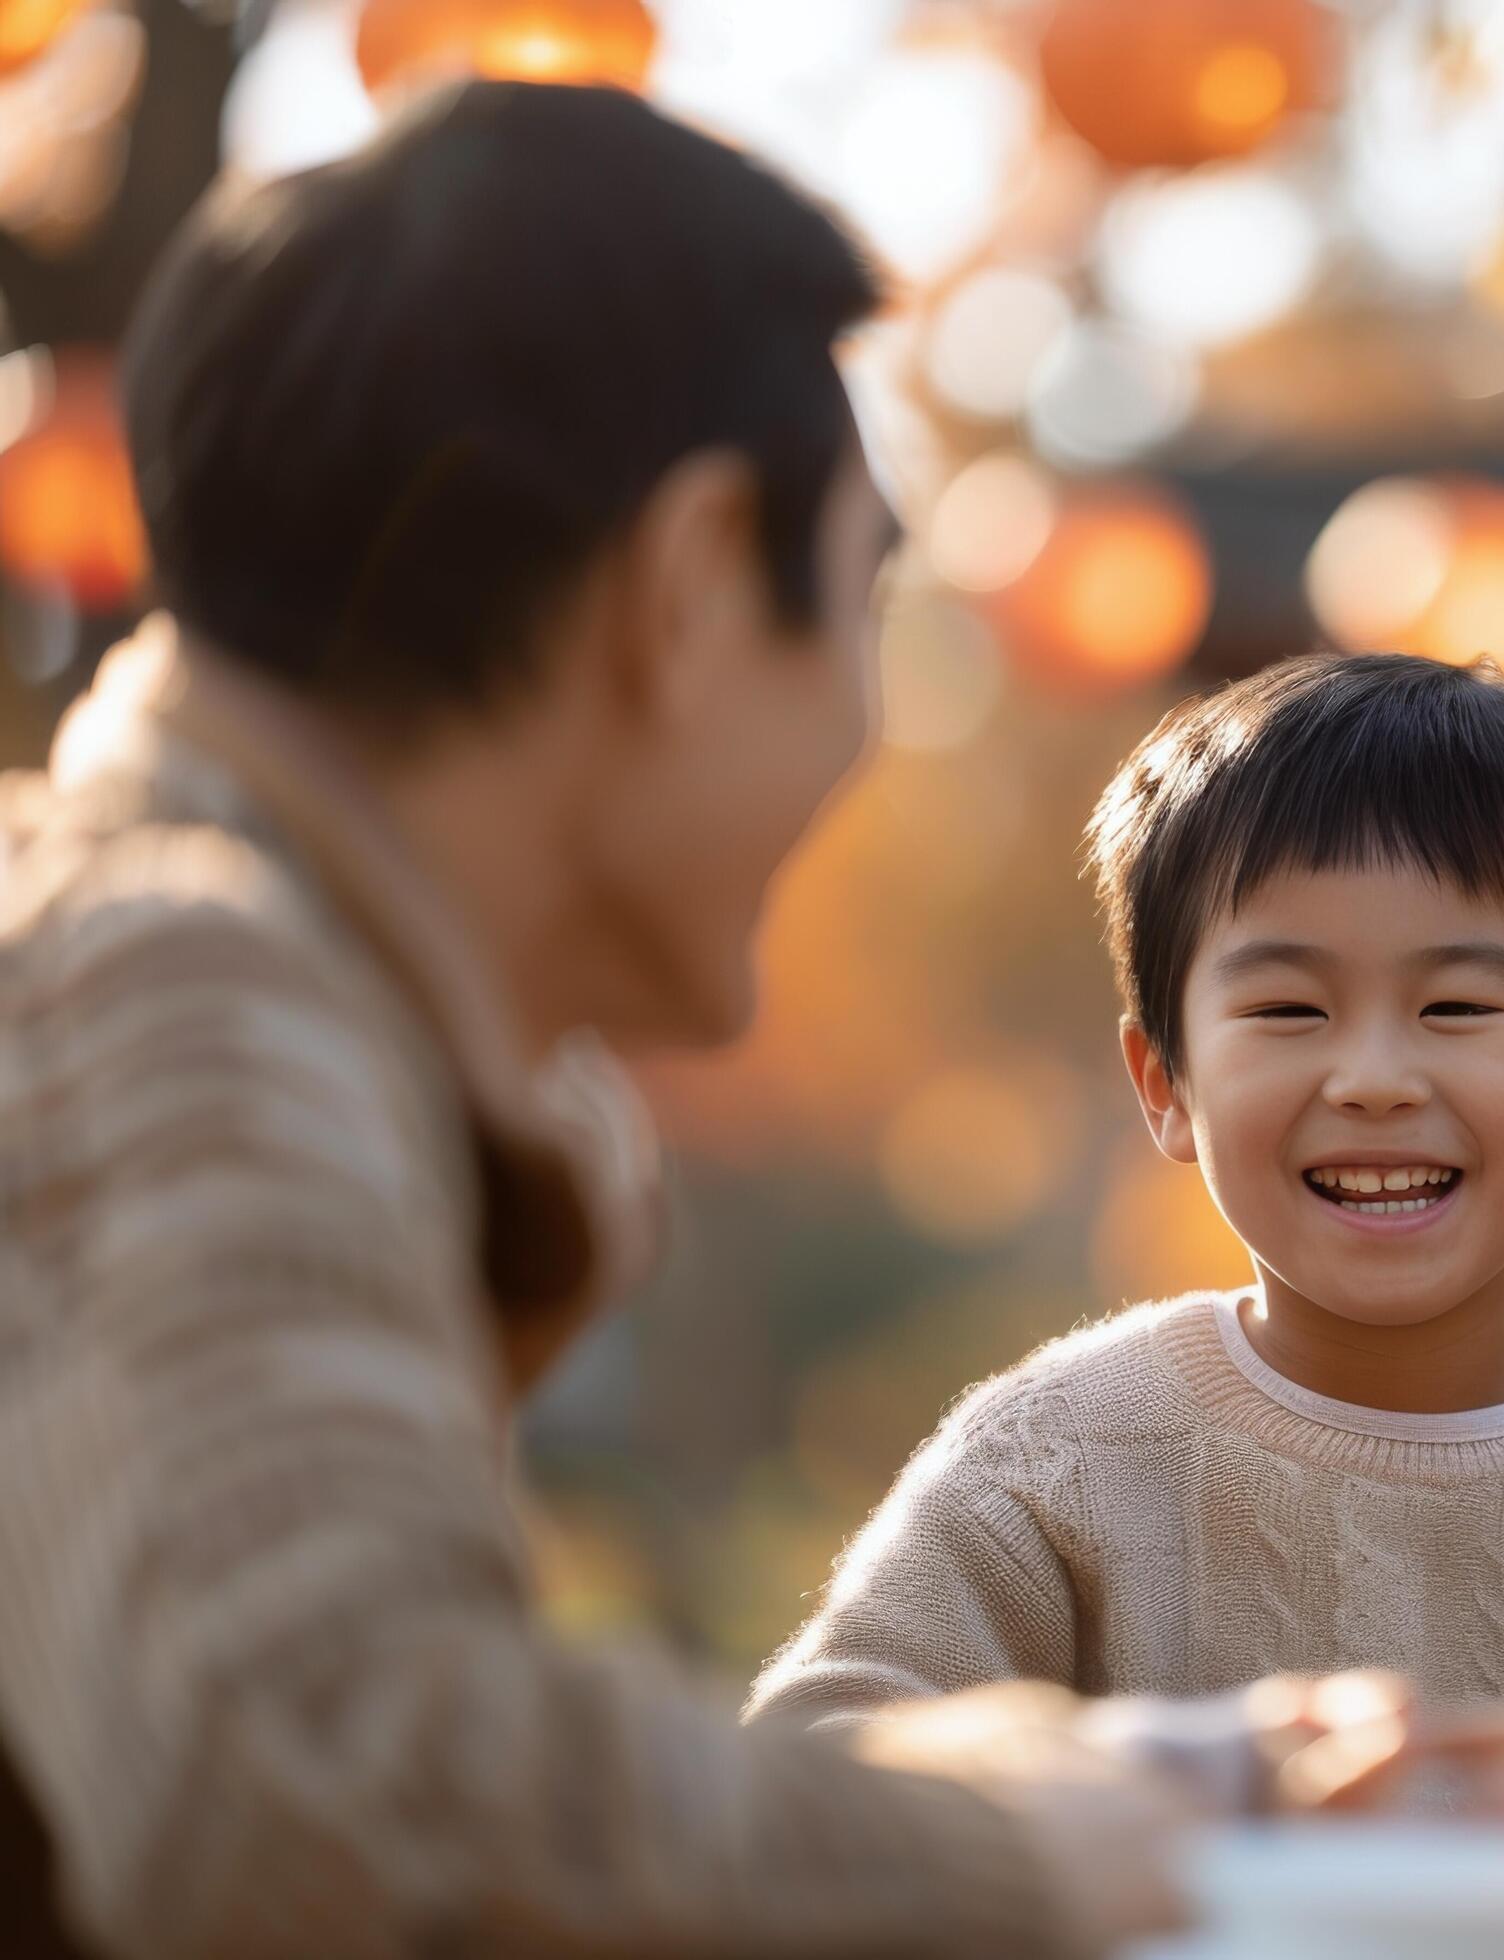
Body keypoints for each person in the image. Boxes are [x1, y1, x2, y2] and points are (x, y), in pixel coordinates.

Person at [0, 80, 1212, 1958]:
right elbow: (330, 1788)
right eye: (862, 598)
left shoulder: (152, 960)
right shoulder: (176, 985)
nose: (867, 738)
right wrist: (1002, 1861)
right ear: (692, 583)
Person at [745, 651, 1504, 1820]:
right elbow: (807, 1783)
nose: (1376, 1078)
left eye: (1456, 1006)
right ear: (1166, 1083)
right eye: (1288, 1009)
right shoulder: (1062, 1460)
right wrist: (1210, 1770)